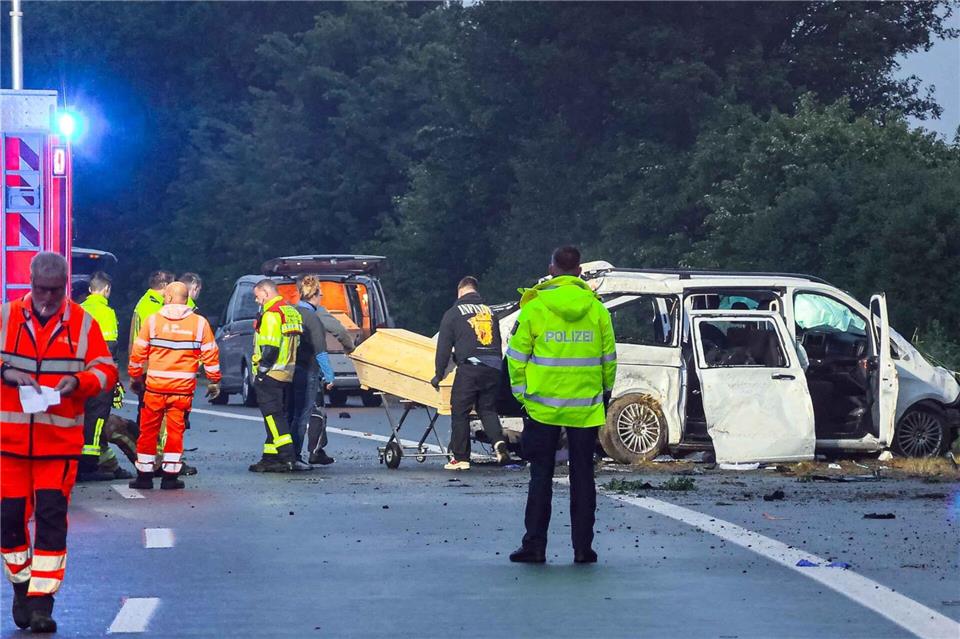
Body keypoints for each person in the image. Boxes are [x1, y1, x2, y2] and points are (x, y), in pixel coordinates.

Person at [0, 252, 119, 632]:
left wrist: (79, 383)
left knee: (51, 521)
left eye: (54, 291)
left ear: (66, 286)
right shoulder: (5, 317)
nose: (47, 298)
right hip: (9, 442)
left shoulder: (84, 323)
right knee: (9, 523)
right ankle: (21, 586)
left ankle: (41, 603)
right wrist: (7, 373)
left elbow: (105, 369)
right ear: (30, 284)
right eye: (40, 290)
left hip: (58, 441)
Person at [506, 246, 616, 564]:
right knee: (583, 477)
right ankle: (583, 548)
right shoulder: (597, 310)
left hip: (542, 407)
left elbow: (516, 358)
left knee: (540, 475)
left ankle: (535, 546)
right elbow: (609, 359)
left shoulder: (536, 307)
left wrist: (522, 395)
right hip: (585, 408)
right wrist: (604, 394)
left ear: (552, 268)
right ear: (579, 271)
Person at [127, 282, 221, 489]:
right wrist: (214, 381)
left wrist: (135, 377)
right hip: (182, 390)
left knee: (148, 431)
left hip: (155, 388)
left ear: (168, 298)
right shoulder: (199, 323)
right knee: (175, 432)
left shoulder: (153, 321)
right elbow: (211, 355)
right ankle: (170, 478)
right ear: (186, 299)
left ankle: (144, 477)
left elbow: (138, 352)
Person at [432, 276, 510, 470]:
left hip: (470, 367)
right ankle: (498, 442)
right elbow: (498, 341)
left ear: (460, 291)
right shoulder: (490, 312)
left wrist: (439, 374)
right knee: (487, 409)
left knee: (460, 410)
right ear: (476, 291)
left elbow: (443, 348)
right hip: (493, 367)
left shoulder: (453, 313)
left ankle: (461, 458)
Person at [77, 271, 132, 481]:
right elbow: (110, 347)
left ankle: (91, 462)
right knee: (97, 419)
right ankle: (89, 464)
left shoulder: (78, 310)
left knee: (81, 417)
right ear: (107, 289)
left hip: (79, 374)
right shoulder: (106, 313)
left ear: (90, 289)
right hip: (98, 375)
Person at [248, 279, 303, 472]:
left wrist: (261, 371)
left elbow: (270, 348)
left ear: (265, 292)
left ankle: (287, 457)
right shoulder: (290, 311)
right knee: (275, 415)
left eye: (257, 295)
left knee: (273, 416)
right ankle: (269, 457)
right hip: (287, 371)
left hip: (271, 372)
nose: (256, 300)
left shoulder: (272, 314)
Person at [287, 276, 337, 466]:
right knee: (303, 414)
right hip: (307, 370)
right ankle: (296, 456)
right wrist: (329, 375)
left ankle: (286, 453)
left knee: (290, 413)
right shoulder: (312, 318)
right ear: (315, 294)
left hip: (289, 370)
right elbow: (320, 351)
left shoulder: (291, 312)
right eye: (321, 294)